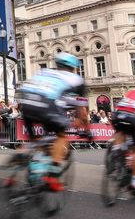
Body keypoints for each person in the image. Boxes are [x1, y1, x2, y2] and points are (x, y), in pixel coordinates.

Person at [14, 52, 90, 192]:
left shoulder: (44, 72)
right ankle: (53, 174)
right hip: (47, 106)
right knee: (62, 137)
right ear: (74, 67)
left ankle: (24, 154)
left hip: (26, 104)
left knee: (36, 140)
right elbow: (81, 110)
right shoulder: (76, 79)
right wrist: (87, 130)